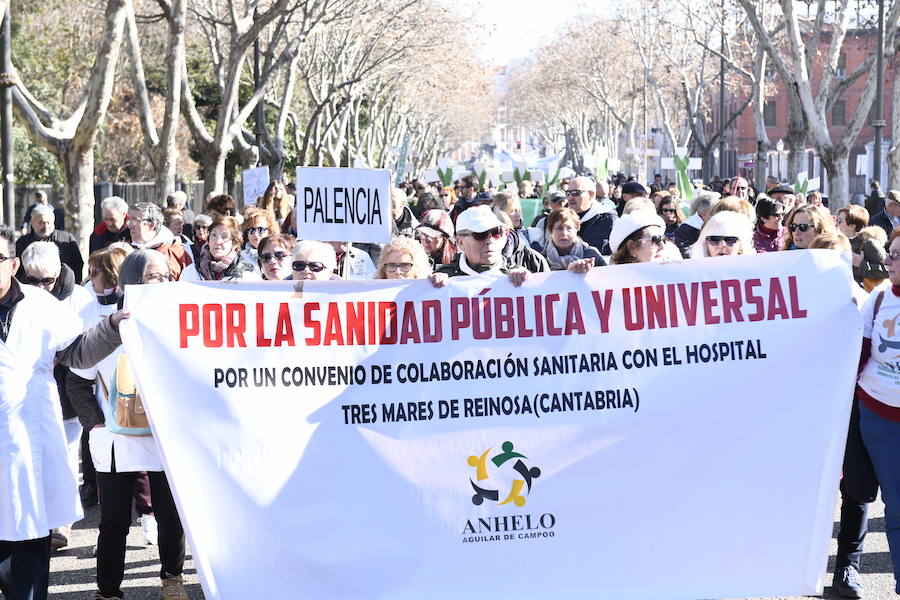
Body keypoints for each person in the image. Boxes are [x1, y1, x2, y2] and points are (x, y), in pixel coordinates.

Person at [0, 224, 126, 600]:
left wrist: (113, 328)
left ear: (13, 264)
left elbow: (78, 351)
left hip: (30, 429)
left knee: (29, 524)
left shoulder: (41, 306)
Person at [68, 250, 189, 600]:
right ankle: (107, 590)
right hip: (114, 440)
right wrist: (94, 424)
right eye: (155, 275)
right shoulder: (106, 326)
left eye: (168, 275)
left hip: (163, 438)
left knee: (170, 515)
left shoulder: (178, 324)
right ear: (133, 281)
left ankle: (172, 578)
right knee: (114, 522)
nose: (164, 281)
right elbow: (76, 380)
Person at [856, 229, 900, 596]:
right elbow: (859, 356)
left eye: (897, 256)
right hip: (880, 418)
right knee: (898, 508)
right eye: (891, 254)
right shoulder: (878, 299)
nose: (889, 262)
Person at [435, 205, 531, 287]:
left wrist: (527, 283)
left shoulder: (519, 275)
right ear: (460, 242)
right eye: (480, 234)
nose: (490, 240)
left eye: (496, 232)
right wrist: (432, 287)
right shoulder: (445, 278)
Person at [16, 204, 84, 282]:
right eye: (41, 222)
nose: (45, 226)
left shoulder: (67, 240)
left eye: (48, 223)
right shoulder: (22, 243)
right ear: (32, 223)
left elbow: (77, 265)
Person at [179, 216, 261, 282]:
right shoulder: (190, 271)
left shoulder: (248, 275)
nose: (218, 241)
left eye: (224, 237)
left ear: (234, 243)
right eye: (214, 235)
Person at [126, 202, 193, 279]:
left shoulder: (174, 253)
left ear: (152, 225)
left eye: (135, 221)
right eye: (129, 220)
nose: (129, 225)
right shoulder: (128, 250)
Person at [837, 205, 888, 292]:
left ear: (852, 226)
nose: (836, 224)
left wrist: (861, 264)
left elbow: (887, 271)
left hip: (866, 298)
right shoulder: (840, 242)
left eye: (840, 221)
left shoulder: (869, 243)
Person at [690, 211, 755, 258]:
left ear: (741, 245)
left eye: (730, 239)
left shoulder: (754, 272)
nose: (722, 245)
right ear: (706, 244)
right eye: (715, 239)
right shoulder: (694, 274)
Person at [674, 190, 716, 258]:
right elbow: (685, 253)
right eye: (714, 212)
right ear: (704, 213)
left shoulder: (715, 225)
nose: (717, 215)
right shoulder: (685, 229)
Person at [240, 208, 279, 274]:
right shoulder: (240, 257)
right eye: (252, 230)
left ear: (270, 231)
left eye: (260, 229)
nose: (255, 234)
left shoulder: (280, 255)